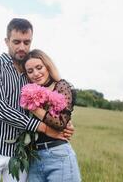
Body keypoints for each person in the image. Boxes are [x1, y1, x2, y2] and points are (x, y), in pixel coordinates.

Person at [0, 18, 75, 182]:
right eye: (16, 42)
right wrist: (45, 128)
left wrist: (64, 122)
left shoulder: (32, 74)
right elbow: (1, 109)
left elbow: (50, 101)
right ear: (7, 41)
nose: (22, 47)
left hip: (21, 152)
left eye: (26, 42)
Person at [22, 49, 81, 182]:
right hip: (34, 158)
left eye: (39, 67)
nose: (36, 74)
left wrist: (33, 108)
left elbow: (60, 123)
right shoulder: (27, 92)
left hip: (58, 155)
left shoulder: (61, 86)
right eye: (30, 71)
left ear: (47, 66)